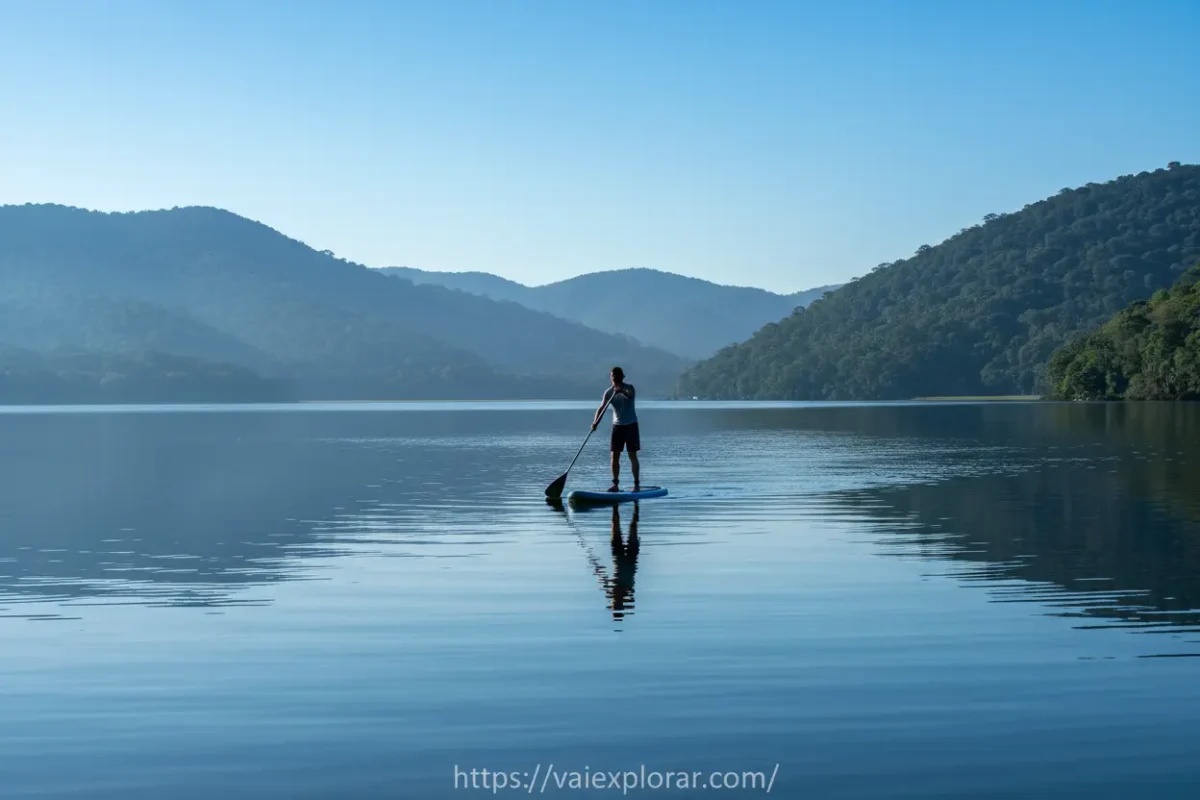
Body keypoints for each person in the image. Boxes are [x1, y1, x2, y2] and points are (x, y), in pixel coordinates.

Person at [592, 366, 640, 492]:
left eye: (616, 376)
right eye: (612, 376)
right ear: (611, 377)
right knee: (614, 456)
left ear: (621, 377)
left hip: (631, 425)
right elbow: (601, 408)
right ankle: (615, 485)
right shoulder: (608, 392)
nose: (614, 378)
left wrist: (622, 391)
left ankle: (636, 485)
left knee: (632, 455)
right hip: (617, 427)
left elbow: (630, 396)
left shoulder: (630, 388)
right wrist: (595, 423)